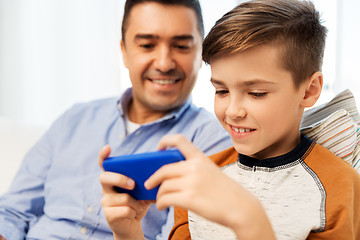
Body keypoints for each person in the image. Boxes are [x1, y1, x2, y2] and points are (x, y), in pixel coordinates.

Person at [99, 0, 360, 239]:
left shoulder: (339, 187)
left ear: (309, 90)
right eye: (221, 91)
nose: (233, 110)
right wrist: (130, 233)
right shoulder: (200, 177)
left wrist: (248, 219)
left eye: (256, 93)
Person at [0, 0, 232, 239]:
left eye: (181, 46)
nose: (164, 63)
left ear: (200, 54)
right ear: (124, 52)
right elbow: (11, 212)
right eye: (147, 45)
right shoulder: (74, 119)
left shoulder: (215, 144)